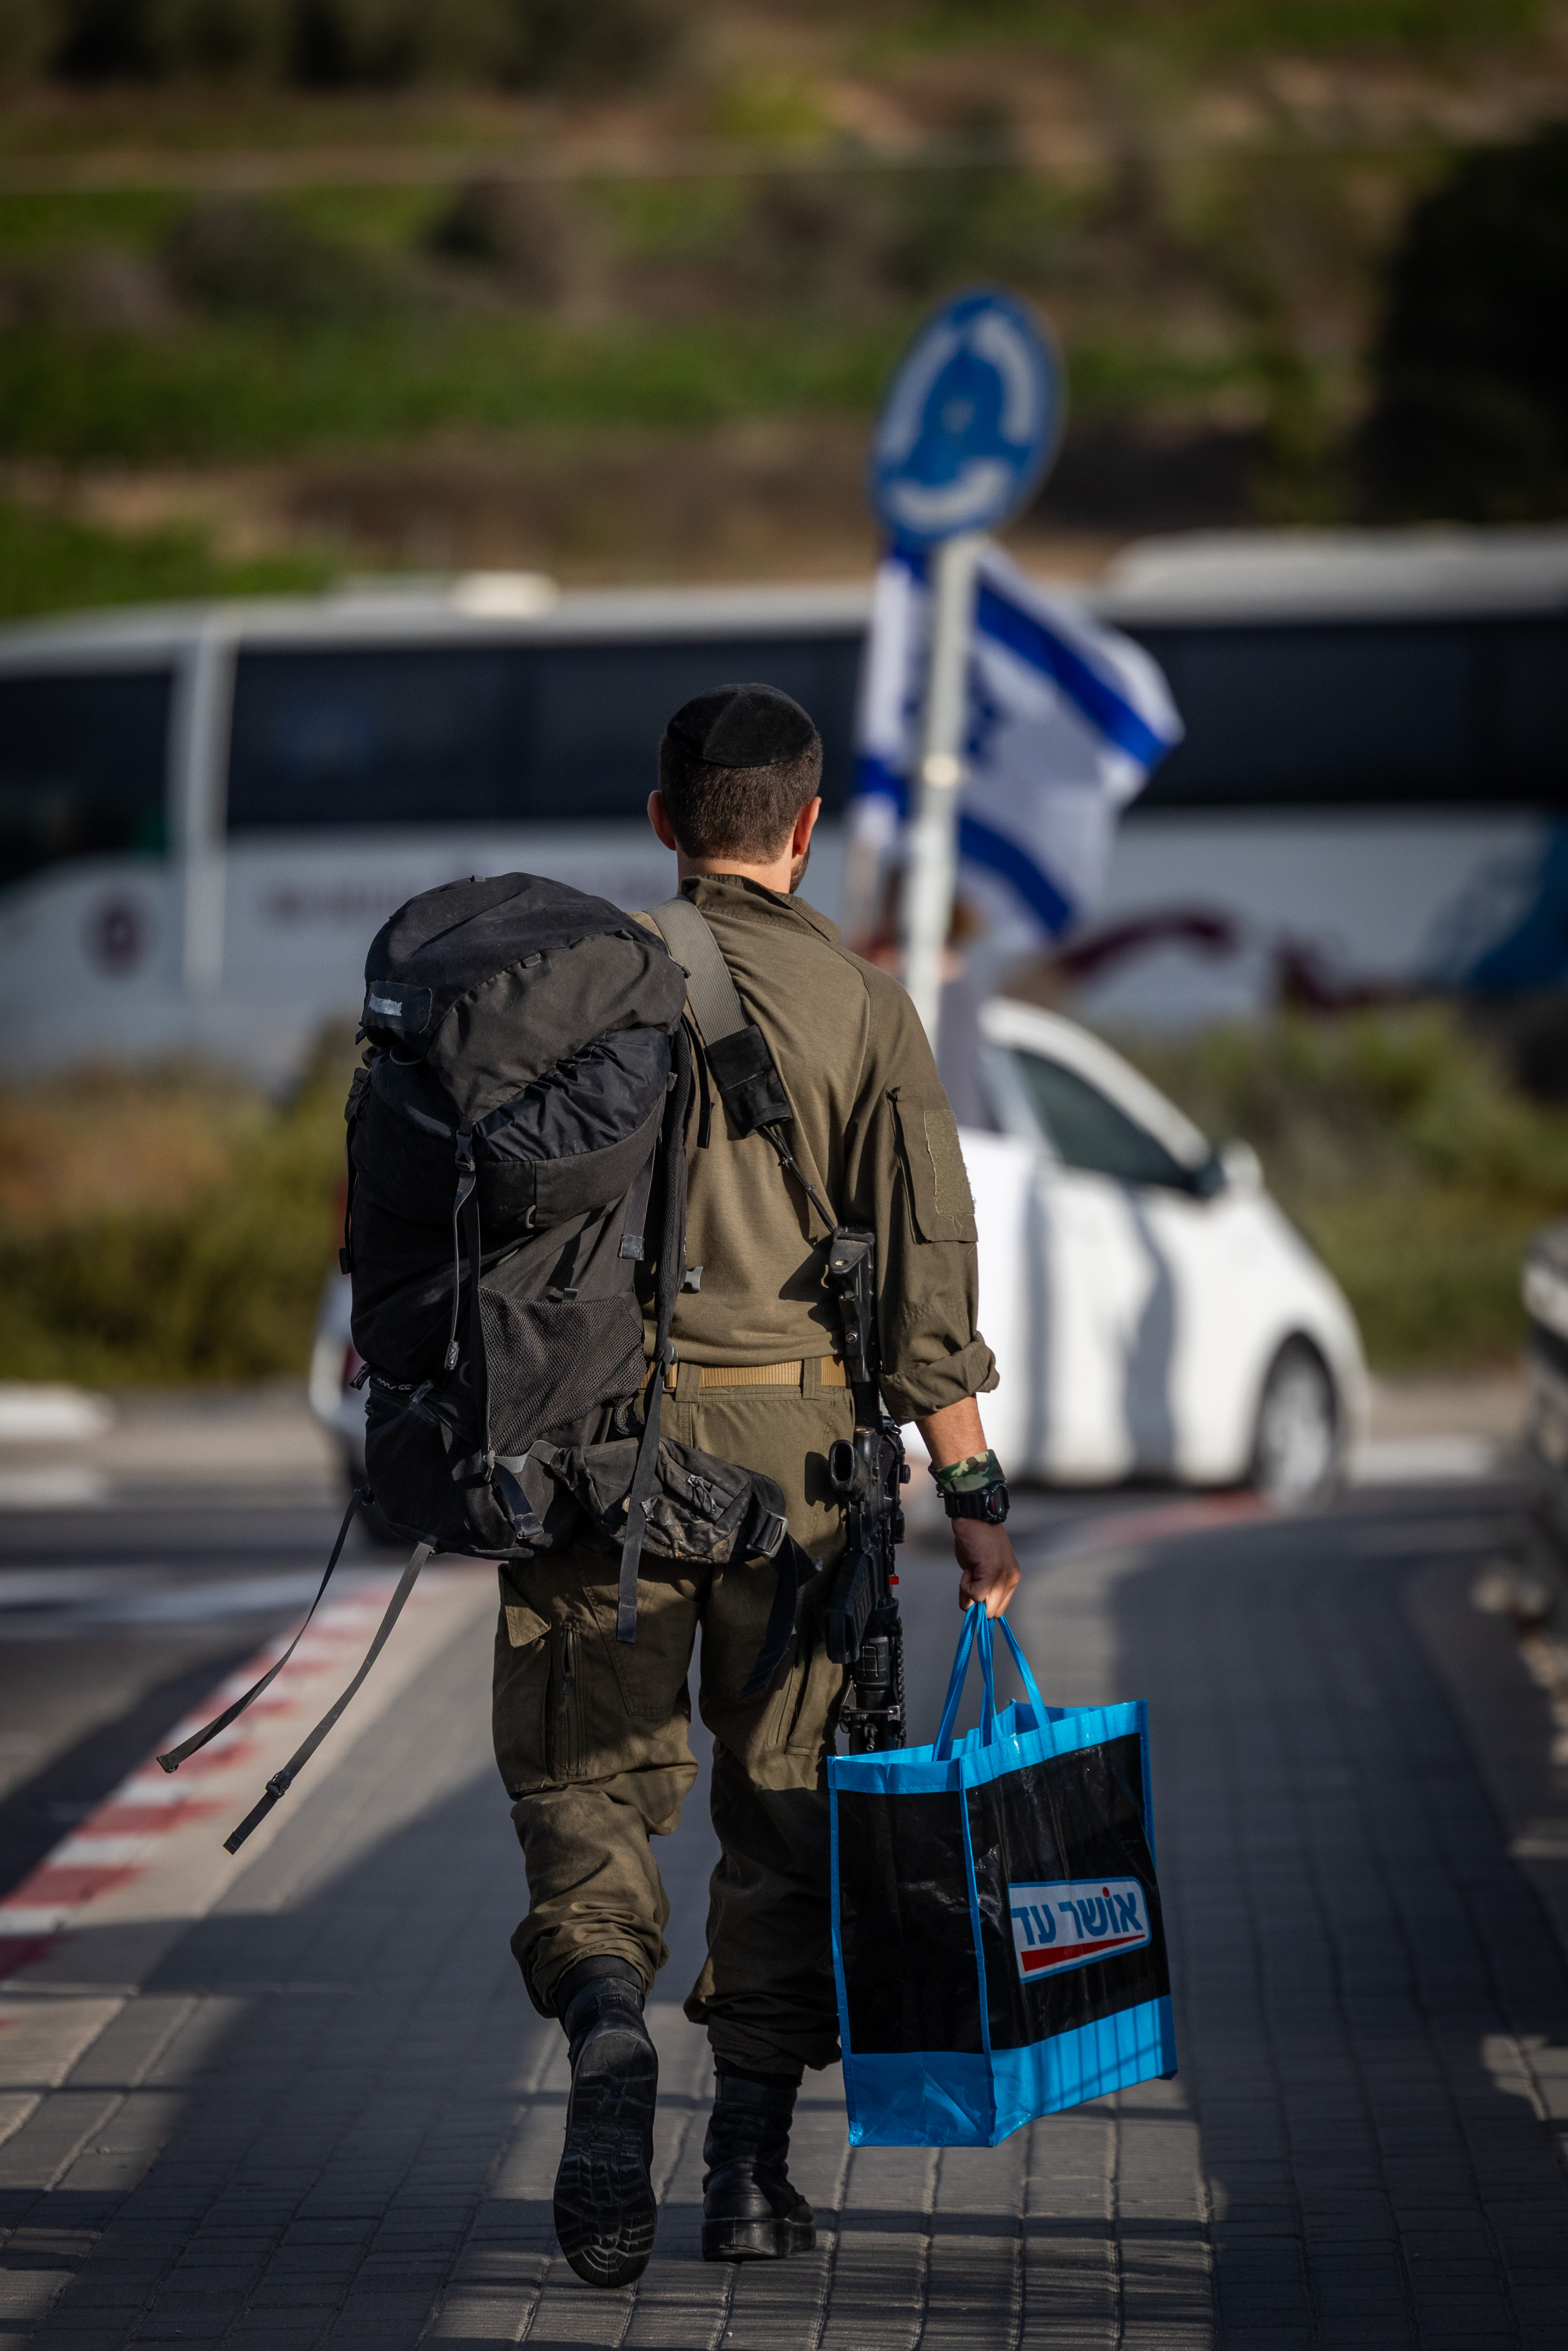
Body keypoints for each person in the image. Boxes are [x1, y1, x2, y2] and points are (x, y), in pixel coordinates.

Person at [490, 682, 1022, 2288]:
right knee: (787, 1813)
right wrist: (978, 1506)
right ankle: (743, 2176)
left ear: (661, 823)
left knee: (588, 1780)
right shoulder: (866, 1009)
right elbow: (926, 1288)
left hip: (597, 1456)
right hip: (797, 1471)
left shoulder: (574, 988)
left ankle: (601, 2019)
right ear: (806, 829)